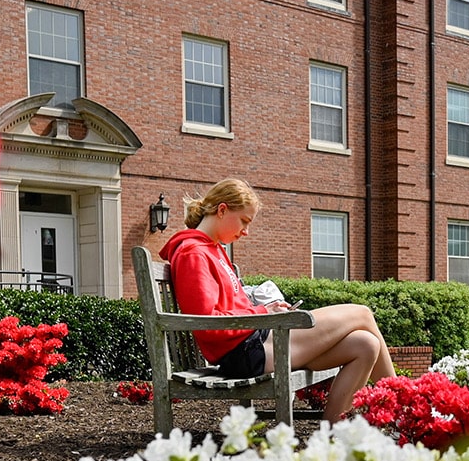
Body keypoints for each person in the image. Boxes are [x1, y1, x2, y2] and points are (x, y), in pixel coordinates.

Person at [158, 178, 395, 421]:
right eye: (244, 221)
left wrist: (266, 310)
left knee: (366, 345)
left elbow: (232, 309)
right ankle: (404, 412)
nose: (246, 231)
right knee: (362, 313)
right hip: (247, 353)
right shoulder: (193, 253)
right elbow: (206, 323)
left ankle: (330, 435)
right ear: (222, 210)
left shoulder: (213, 250)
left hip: (255, 342)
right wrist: (263, 313)